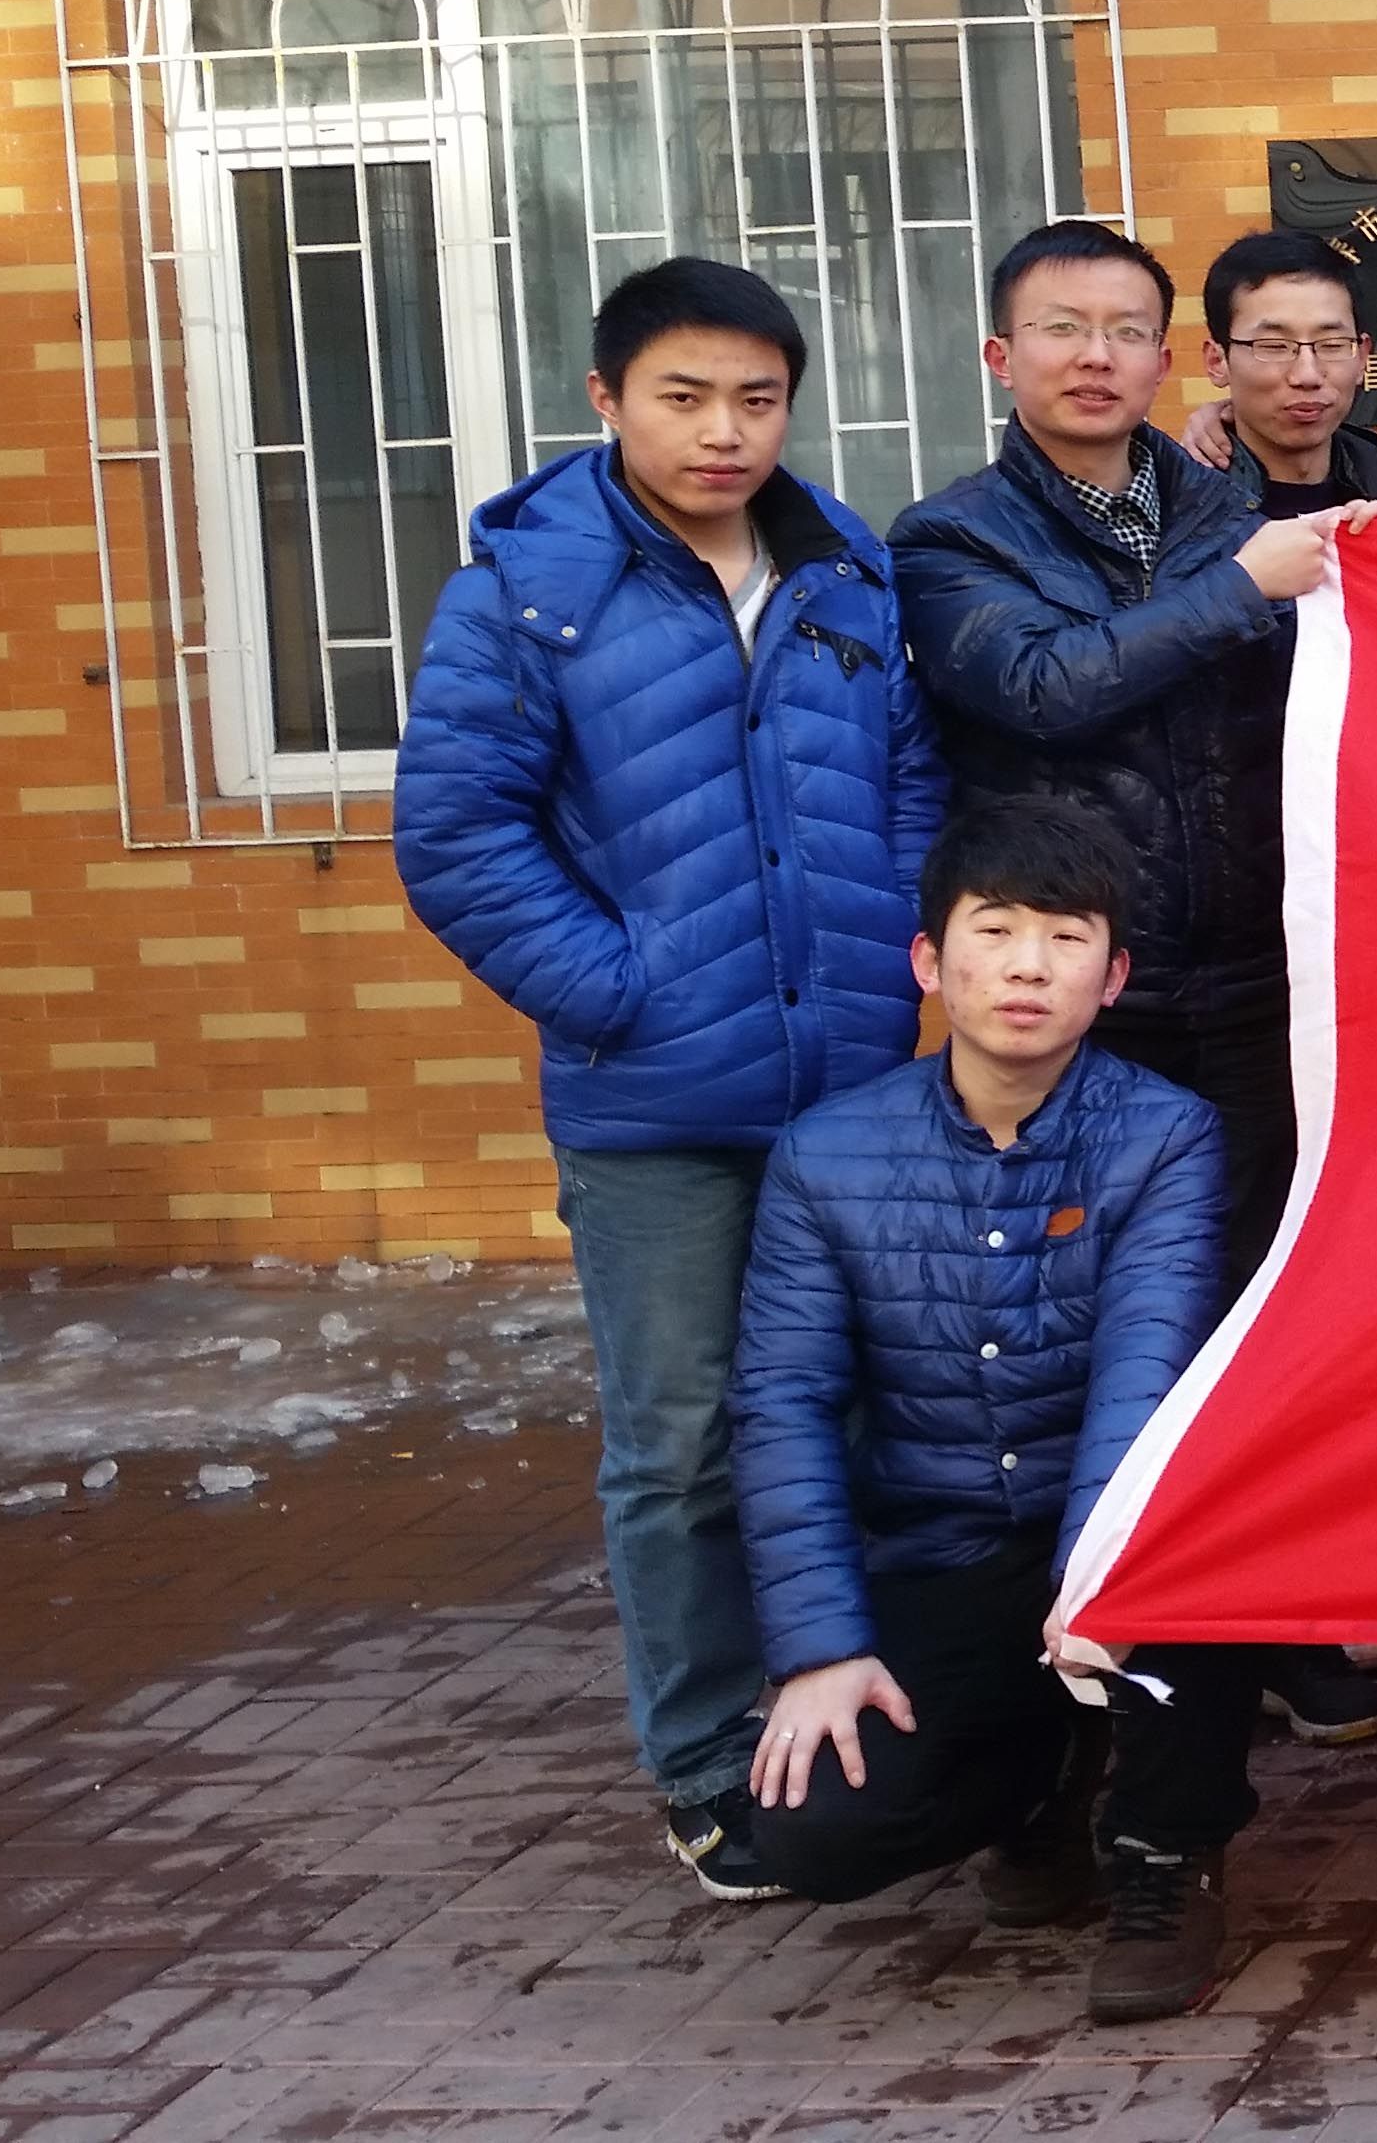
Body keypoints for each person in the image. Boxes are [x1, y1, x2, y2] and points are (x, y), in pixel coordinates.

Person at [394, 257, 941, 1902]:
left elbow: (912, 784)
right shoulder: (525, 594)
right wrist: (620, 993)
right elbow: (457, 836)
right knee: (686, 1439)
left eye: (757, 399)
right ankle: (707, 1758)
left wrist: (893, 953)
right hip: (654, 1110)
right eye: (684, 396)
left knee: (858, 1413)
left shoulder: (844, 575)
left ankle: (861, 1714)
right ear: (607, 400)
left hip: (845, 1090)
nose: (723, 432)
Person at [889, 217, 1377, 1748]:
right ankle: (1085, 1635)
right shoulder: (953, 540)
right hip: (1080, 1006)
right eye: (1061, 329)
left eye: (1124, 331)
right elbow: (1041, 688)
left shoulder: (1229, 507)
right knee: (1087, 1327)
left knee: (1260, 1312)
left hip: (1258, 986)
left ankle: (1265, 1624)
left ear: (1167, 360)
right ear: (1002, 355)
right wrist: (1244, 587)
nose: (1095, 357)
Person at [730, 799, 1265, 2023]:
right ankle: (1040, 1782)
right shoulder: (825, 1156)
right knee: (814, 1832)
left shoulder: (1165, 1136)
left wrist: (1095, 1582)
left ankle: (1166, 1853)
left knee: (1204, 1567)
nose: (1029, 967)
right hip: (945, 1546)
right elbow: (782, 1405)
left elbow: (1143, 1364)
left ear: (1112, 978)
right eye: (996, 930)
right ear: (930, 960)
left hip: (1120, 1532)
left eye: (1067, 939)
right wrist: (818, 1650)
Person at [1199, 229, 1377, 518]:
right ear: (1217, 361)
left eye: (1332, 344)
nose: (1307, 375)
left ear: (1363, 357)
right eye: (1274, 346)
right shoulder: (1177, 514)